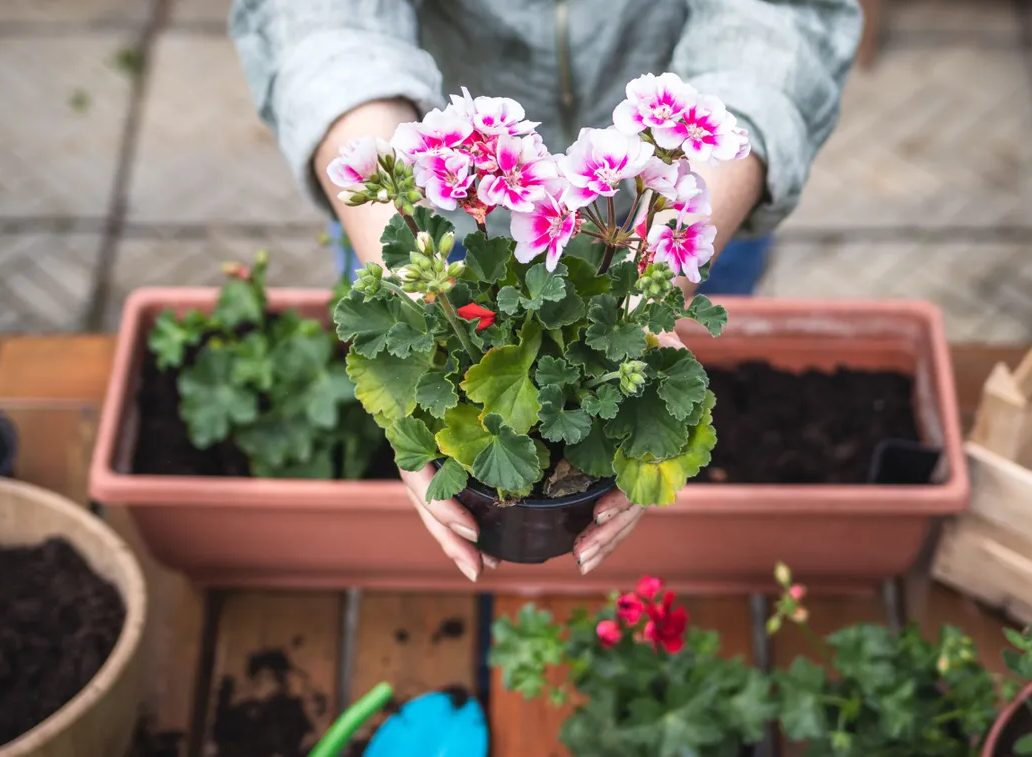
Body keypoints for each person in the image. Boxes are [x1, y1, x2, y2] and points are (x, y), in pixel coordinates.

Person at [230, 0, 862, 583]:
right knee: (416, 340)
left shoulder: (670, 205)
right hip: (437, 207)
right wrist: (404, 257)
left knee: (664, 376)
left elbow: (781, 17)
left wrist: (653, 281)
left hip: (693, 205)